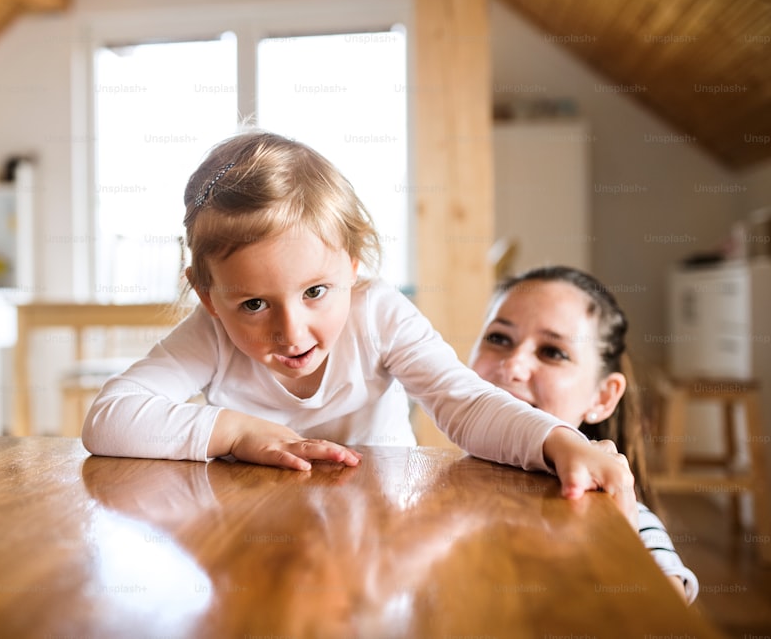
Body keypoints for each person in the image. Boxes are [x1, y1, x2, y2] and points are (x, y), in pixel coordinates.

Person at [82, 130, 634, 516]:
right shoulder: (209, 333)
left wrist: (558, 441)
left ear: (352, 266)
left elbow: (463, 402)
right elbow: (109, 419)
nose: (292, 331)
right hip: (253, 522)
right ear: (207, 295)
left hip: (379, 518)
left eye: (316, 292)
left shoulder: (378, 313)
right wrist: (236, 432)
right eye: (253, 304)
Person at [468, 265, 699, 604]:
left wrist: (613, 546)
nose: (513, 366)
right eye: (499, 338)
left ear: (603, 397)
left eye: (553, 352)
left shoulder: (628, 520)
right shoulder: (431, 485)